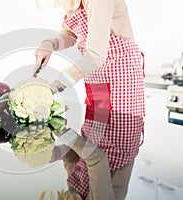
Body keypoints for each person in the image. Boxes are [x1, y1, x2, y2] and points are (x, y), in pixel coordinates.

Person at [34, 0, 145, 199]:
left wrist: (45, 150)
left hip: (120, 82)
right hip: (102, 86)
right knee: (95, 136)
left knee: (96, 136)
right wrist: (50, 44)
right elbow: (69, 34)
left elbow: (72, 157)